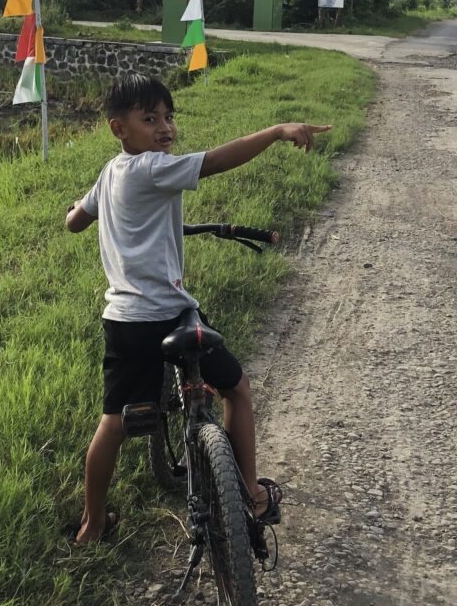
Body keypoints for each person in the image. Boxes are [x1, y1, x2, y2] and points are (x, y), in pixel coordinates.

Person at [65, 72, 331, 545]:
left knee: (113, 423)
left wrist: (85, 209)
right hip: (169, 312)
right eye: (150, 119)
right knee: (239, 390)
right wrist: (274, 132)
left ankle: (92, 522)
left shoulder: (111, 173)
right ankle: (249, 492)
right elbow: (214, 162)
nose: (165, 127)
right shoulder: (151, 167)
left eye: (169, 117)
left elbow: (74, 221)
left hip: (123, 322)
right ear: (118, 128)